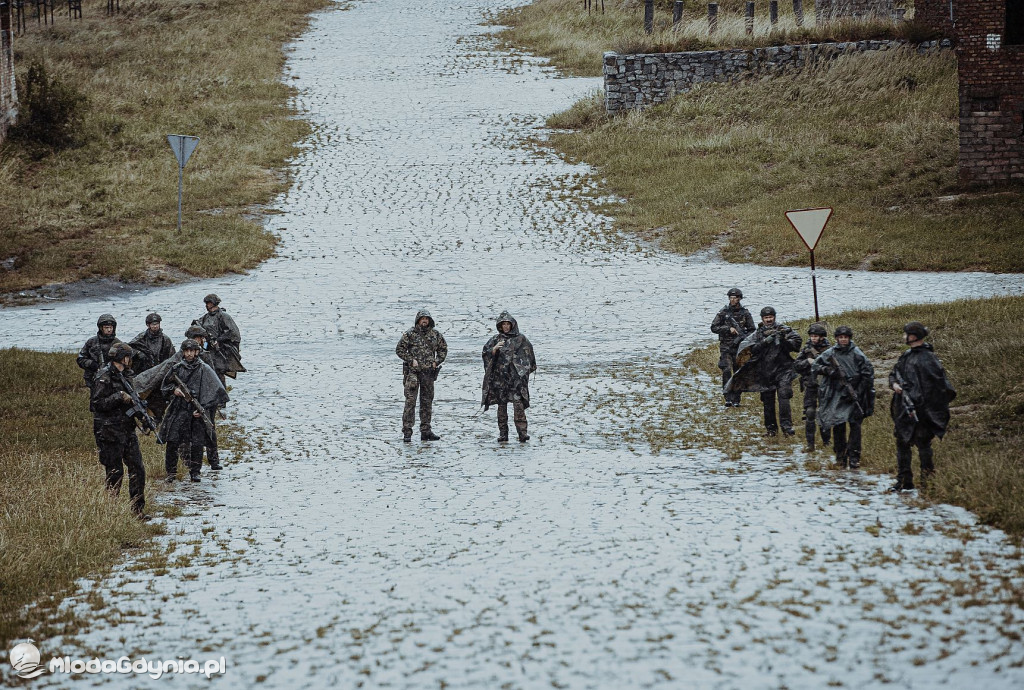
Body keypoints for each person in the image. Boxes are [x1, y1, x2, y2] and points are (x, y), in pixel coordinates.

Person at [888, 322, 956, 492]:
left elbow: (936, 387)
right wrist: (895, 385)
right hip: (905, 409)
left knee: (923, 444)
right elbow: (894, 373)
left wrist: (920, 404)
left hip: (924, 412)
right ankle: (904, 480)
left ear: (913, 337)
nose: (903, 337)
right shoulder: (906, 355)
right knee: (902, 443)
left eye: (906, 334)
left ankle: (928, 481)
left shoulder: (928, 359)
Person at [90, 343, 150, 520]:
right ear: (122, 358)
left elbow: (134, 400)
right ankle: (111, 512)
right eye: (128, 357)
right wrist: (119, 397)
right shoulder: (103, 376)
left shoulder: (126, 375)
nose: (129, 360)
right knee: (115, 472)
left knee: (138, 470)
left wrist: (144, 418)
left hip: (126, 429)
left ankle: (137, 510)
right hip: (108, 431)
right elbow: (97, 404)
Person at [159, 339, 229, 482]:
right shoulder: (177, 369)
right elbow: (164, 387)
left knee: (197, 443)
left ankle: (195, 472)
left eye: (192, 351)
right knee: (172, 441)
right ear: (183, 352)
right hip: (179, 410)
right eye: (187, 351)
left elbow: (214, 390)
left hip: (197, 411)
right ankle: (171, 473)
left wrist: (203, 409)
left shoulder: (204, 369)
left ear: (196, 352)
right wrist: (175, 390)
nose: (189, 354)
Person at [727, 306, 802, 436]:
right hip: (765, 372)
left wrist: (783, 340)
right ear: (762, 319)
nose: (769, 320)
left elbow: (796, 344)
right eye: (766, 318)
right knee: (768, 401)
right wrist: (766, 341)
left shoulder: (783, 329)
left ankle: (787, 427)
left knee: (784, 396)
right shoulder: (757, 334)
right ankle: (771, 429)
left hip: (783, 370)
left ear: (775, 317)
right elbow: (750, 349)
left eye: (771, 317)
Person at [812, 326, 875, 469]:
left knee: (855, 426)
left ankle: (854, 457)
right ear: (836, 339)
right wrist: (828, 371)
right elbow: (815, 366)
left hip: (854, 394)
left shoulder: (857, 354)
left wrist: (858, 391)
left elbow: (868, 373)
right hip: (837, 395)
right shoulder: (830, 353)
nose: (843, 340)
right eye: (840, 337)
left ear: (849, 338)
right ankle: (840, 456)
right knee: (838, 426)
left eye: (845, 337)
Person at [482, 311, 537, 443]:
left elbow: (530, 356)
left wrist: (523, 372)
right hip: (500, 380)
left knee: (518, 407)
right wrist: (494, 350)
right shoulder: (495, 339)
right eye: (503, 324)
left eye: (508, 324)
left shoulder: (521, 339)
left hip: (516, 381)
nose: (506, 327)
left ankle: (522, 433)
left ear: (512, 325)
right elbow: (486, 354)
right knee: (502, 408)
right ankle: (503, 434)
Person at [395, 309, 447, 442]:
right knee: (410, 402)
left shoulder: (436, 335)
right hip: (413, 373)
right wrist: (410, 360)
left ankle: (426, 431)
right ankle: (407, 431)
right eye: (422, 318)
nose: (424, 321)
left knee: (427, 403)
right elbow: (399, 349)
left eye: (426, 319)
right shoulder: (410, 334)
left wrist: (437, 361)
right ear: (418, 320)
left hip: (428, 373)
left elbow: (443, 349)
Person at [710, 288, 755, 407]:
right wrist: (727, 329)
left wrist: (743, 337)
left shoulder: (745, 313)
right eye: (731, 297)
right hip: (726, 346)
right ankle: (727, 396)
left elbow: (752, 330)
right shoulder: (723, 312)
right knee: (726, 370)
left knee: (738, 372)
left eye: (735, 298)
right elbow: (714, 327)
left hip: (740, 348)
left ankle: (736, 398)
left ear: (739, 298)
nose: (733, 300)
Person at [128, 313, 176, 422]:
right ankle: (147, 418)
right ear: (148, 325)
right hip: (145, 373)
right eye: (152, 324)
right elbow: (128, 349)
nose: (155, 326)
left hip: (160, 373)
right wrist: (139, 353)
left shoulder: (165, 339)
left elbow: (172, 357)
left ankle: (158, 418)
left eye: (157, 324)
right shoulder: (141, 338)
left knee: (159, 398)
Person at [793, 323, 831, 452]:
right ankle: (810, 444)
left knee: (824, 414)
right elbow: (796, 365)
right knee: (809, 413)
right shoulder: (806, 349)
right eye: (812, 336)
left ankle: (827, 442)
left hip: (825, 386)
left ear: (821, 337)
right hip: (810, 385)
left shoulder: (829, 350)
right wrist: (807, 362)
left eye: (816, 336)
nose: (813, 338)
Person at [194, 294, 244, 387]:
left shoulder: (224, 316)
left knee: (219, 372)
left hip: (221, 349)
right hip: (208, 348)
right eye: (206, 303)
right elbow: (198, 325)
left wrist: (219, 340)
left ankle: (222, 394)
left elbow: (233, 332)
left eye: (208, 303)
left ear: (214, 303)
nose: (207, 305)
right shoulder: (205, 317)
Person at [77, 314, 122, 389]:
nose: (109, 330)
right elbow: (80, 359)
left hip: (113, 379)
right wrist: (91, 364)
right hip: (93, 378)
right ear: (101, 328)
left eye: (111, 327)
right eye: (106, 327)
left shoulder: (118, 343)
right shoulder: (91, 342)